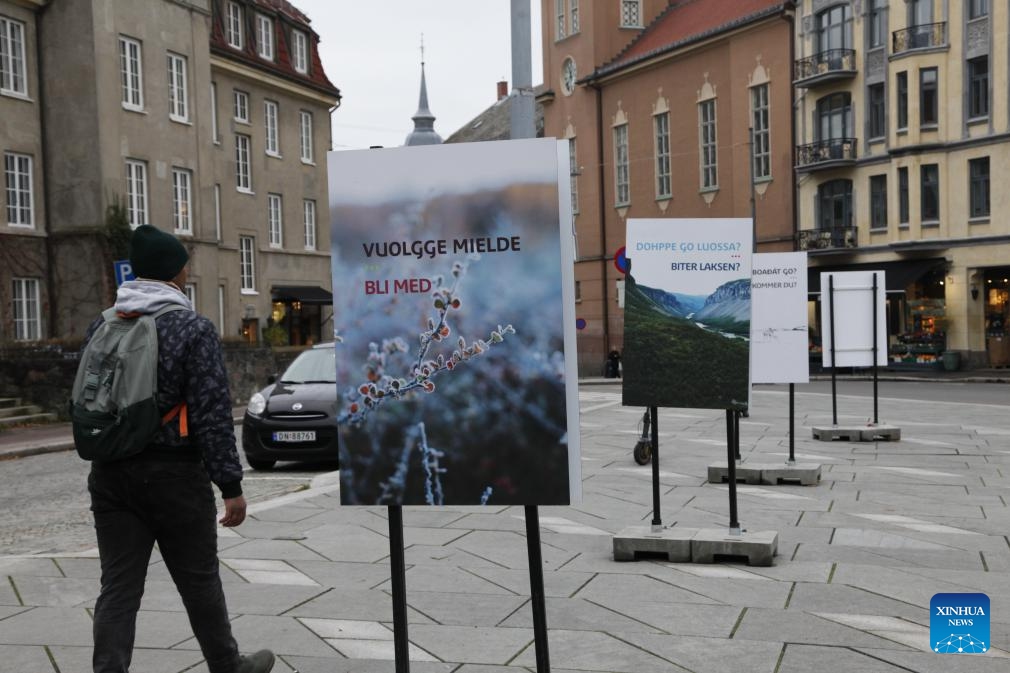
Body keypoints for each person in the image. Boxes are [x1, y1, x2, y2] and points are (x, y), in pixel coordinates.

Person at [84, 225, 274, 673]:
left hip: (110, 475)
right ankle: (228, 667)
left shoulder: (104, 323)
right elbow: (211, 412)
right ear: (175, 273)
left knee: (118, 588)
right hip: (174, 476)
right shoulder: (191, 327)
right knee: (199, 581)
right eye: (184, 264)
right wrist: (230, 484)